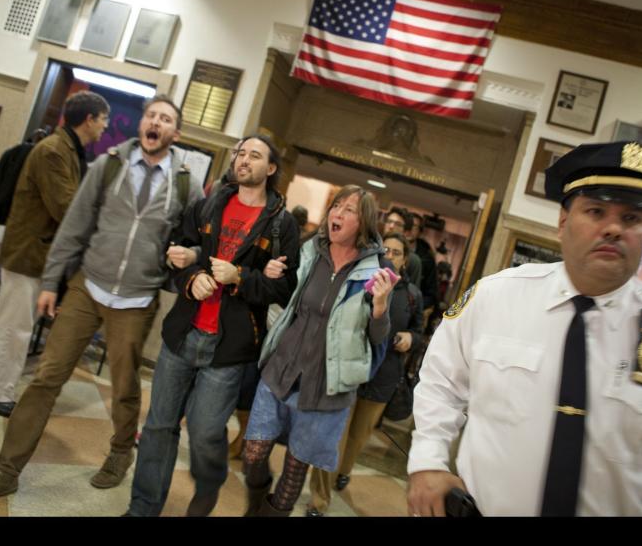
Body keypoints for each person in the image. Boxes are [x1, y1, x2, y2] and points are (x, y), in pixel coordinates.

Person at [407, 141, 642, 516]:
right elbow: (442, 383)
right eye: (596, 210)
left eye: (632, 218)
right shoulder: (495, 298)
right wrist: (428, 460)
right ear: (562, 222)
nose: (613, 229)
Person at [0, 95, 200, 507]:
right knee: (47, 378)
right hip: (88, 287)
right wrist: (52, 282)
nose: (156, 122)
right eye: (151, 115)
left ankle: (121, 450)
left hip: (137, 299)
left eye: (166, 119)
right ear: (142, 125)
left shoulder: (187, 184)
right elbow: (74, 225)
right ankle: (6, 470)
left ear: (175, 133)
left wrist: (183, 259)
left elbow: (190, 241)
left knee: (123, 387)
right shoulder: (108, 166)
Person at [126, 134, 300, 517]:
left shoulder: (281, 225)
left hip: (229, 347)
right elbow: (181, 257)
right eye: (240, 153)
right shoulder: (207, 207)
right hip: (183, 334)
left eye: (255, 155)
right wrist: (189, 275)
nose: (243, 159)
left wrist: (240, 276)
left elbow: (285, 289)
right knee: (158, 427)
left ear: (270, 169)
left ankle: (203, 499)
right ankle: (143, 508)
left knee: (206, 433)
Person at [241, 185, 394, 517]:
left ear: (364, 221)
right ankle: (258, 498)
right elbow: (284, 291)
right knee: (253, 454)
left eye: (348, 209)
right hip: (282, 369)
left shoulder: (375, 271)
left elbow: (377, 336)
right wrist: (271, 274)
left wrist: (380, 308)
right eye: (335, 206)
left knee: (296, 469)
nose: (336, 213)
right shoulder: (310, 250)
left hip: (325, 385)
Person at [0, 91, 110, 416]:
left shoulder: (69, 149)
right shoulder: (54, 151)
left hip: (37, 251)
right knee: (17, 326)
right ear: (89, 119)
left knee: (7, 319)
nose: (105, 127)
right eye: (104, 119)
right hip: (30, 251)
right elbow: (65, 206)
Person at [307, 230, 424, 516]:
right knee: (332, 436)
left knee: (359, 436)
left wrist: (411, 338)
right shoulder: (362, 279)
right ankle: (319, 499)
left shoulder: (411, 295)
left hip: (383, 376)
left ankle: (343, 472)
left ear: (406, 261)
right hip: (349, 370)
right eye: (386, 249)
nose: (390, 255)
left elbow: (420, 331)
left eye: (397, 252)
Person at [381, 207, 421, 288]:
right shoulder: (373, 249)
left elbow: (412, 292)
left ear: (406, 232)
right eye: (389, 221)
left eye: (398, 224)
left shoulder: (413, 260)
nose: (391, 226)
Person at [407, 212, 438, 311]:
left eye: (414, 226)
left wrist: (415, 307)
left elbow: (431, 293)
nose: (410, 229)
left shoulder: (427, 259)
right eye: (408, 225)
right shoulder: (388, 249)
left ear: (420, 232)